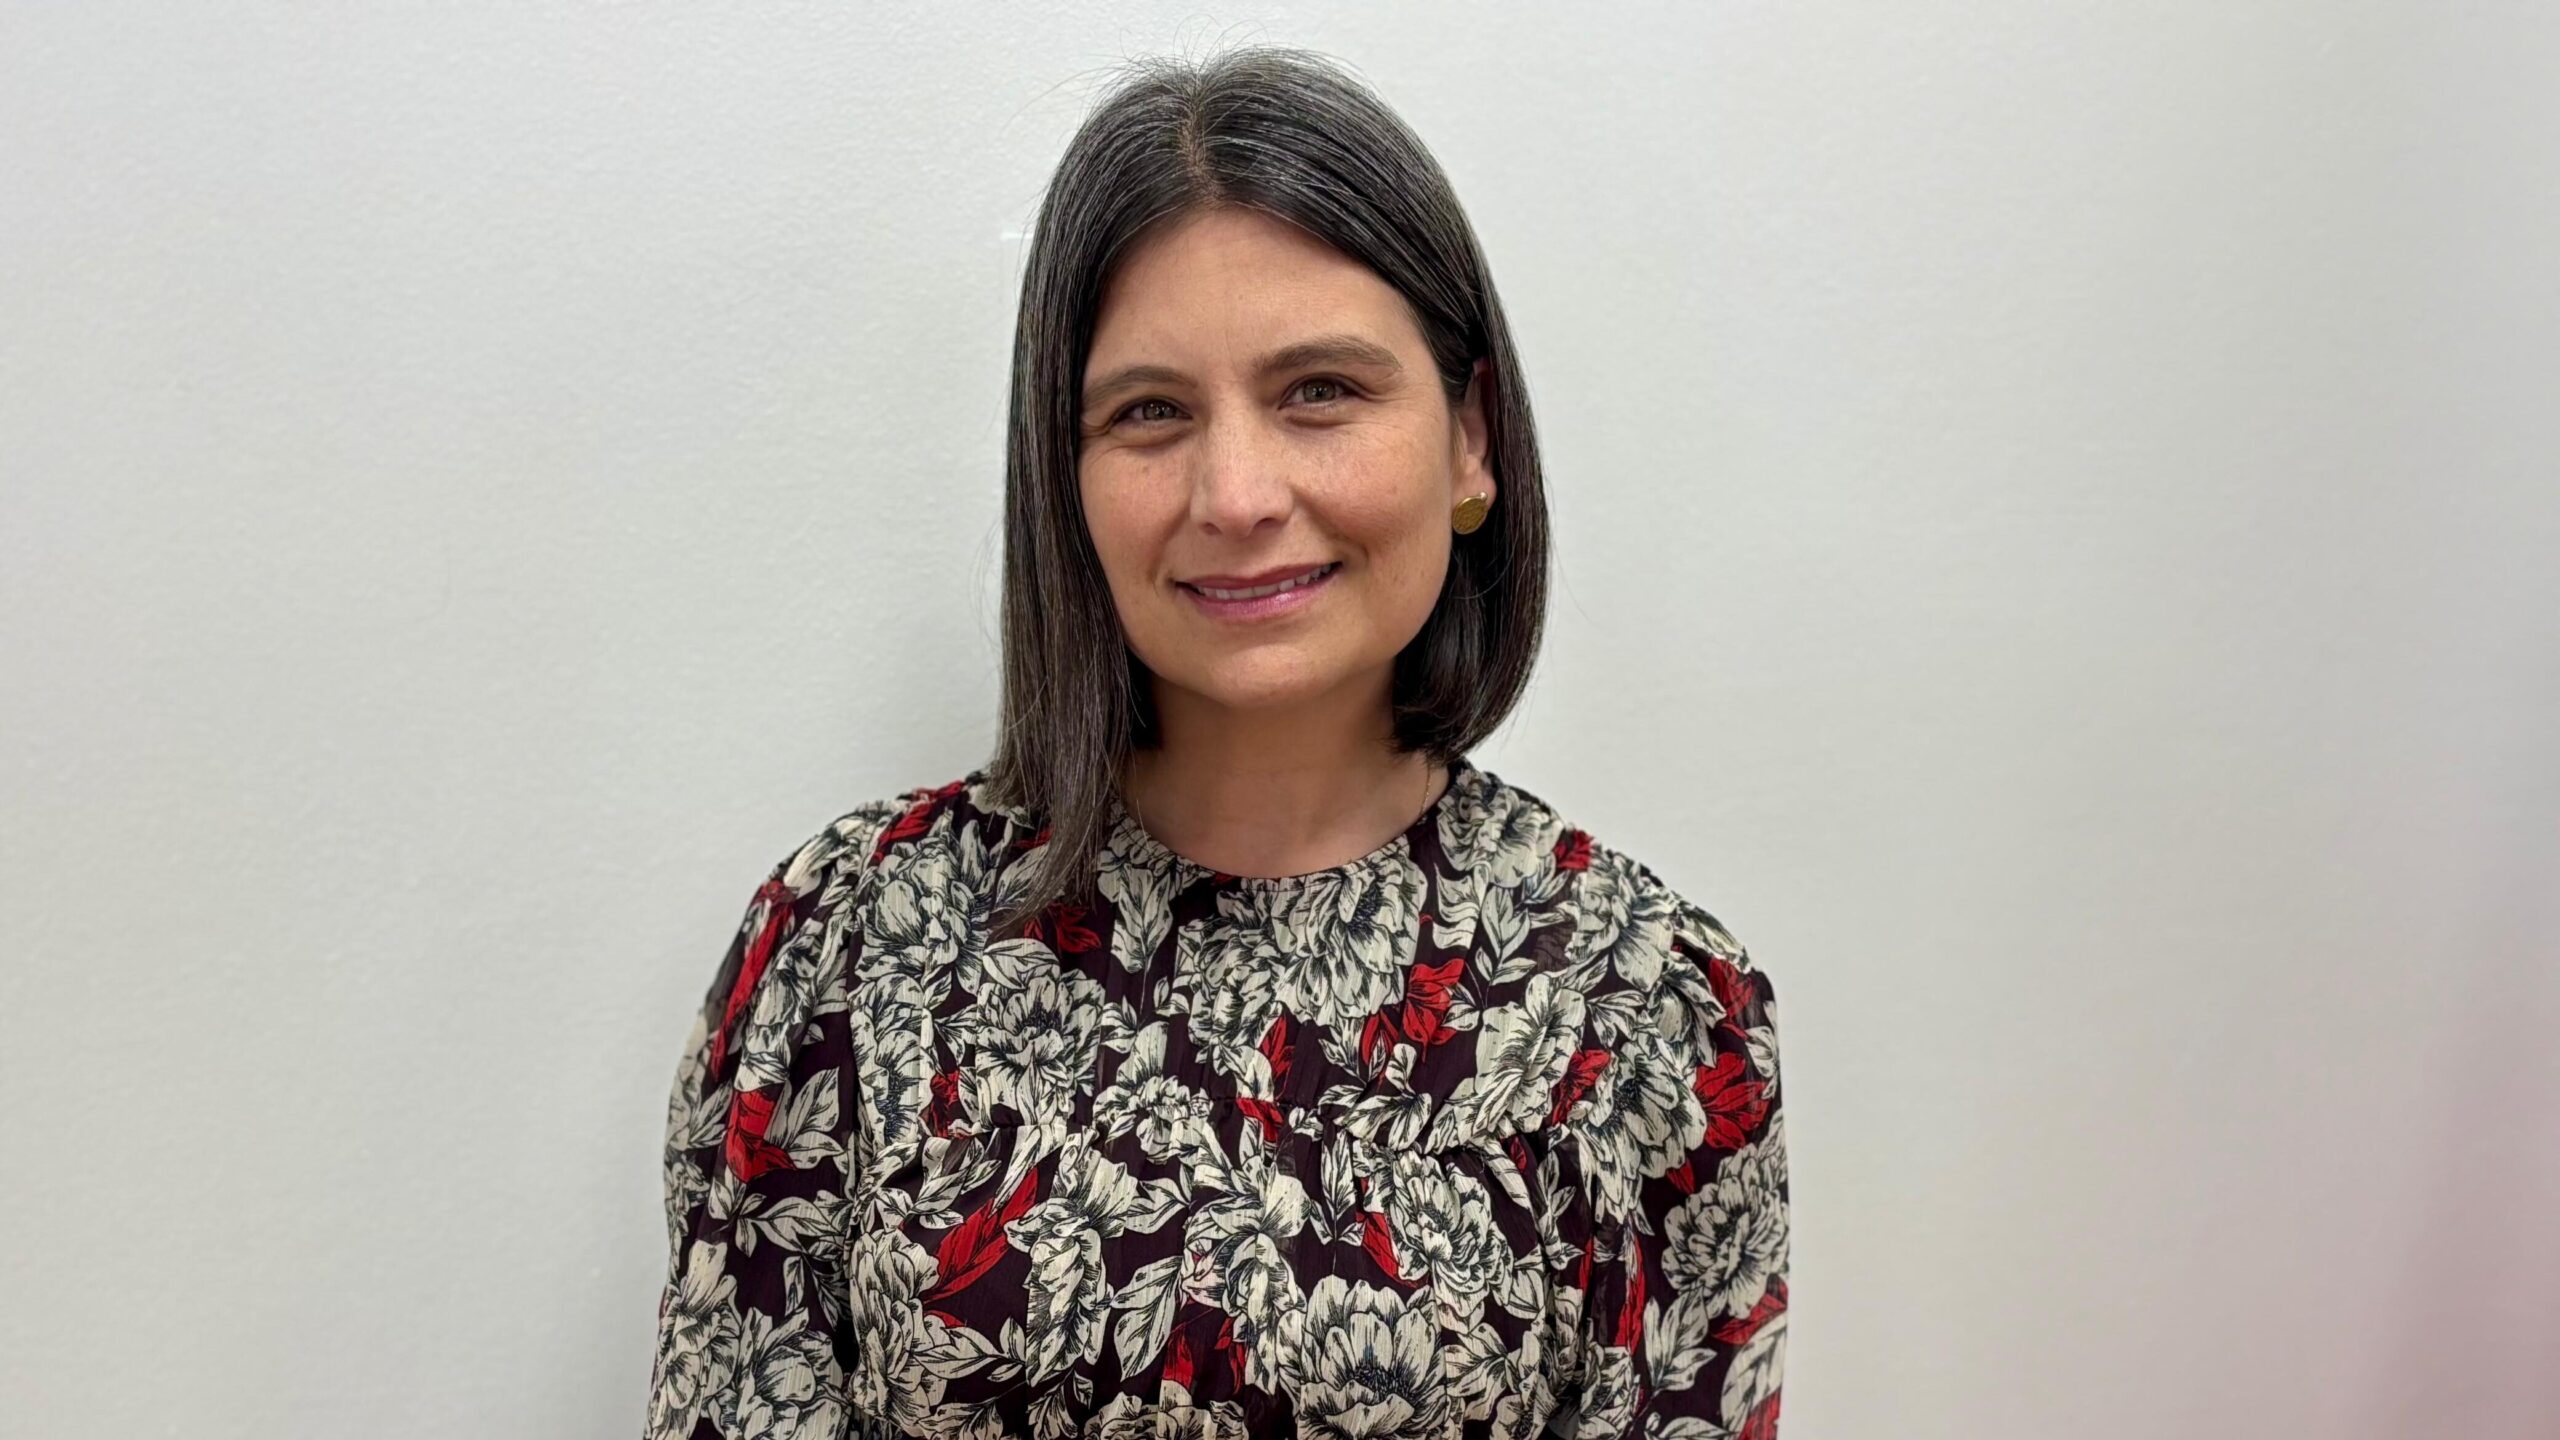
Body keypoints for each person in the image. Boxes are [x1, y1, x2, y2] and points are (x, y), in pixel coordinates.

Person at [643, 45, 1788, 1440]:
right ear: (1064, 475)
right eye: (1150, 413)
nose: (1236, 494)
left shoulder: (1653, 1011)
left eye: (1321, 390)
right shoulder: (848, 944)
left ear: (1471, 438)